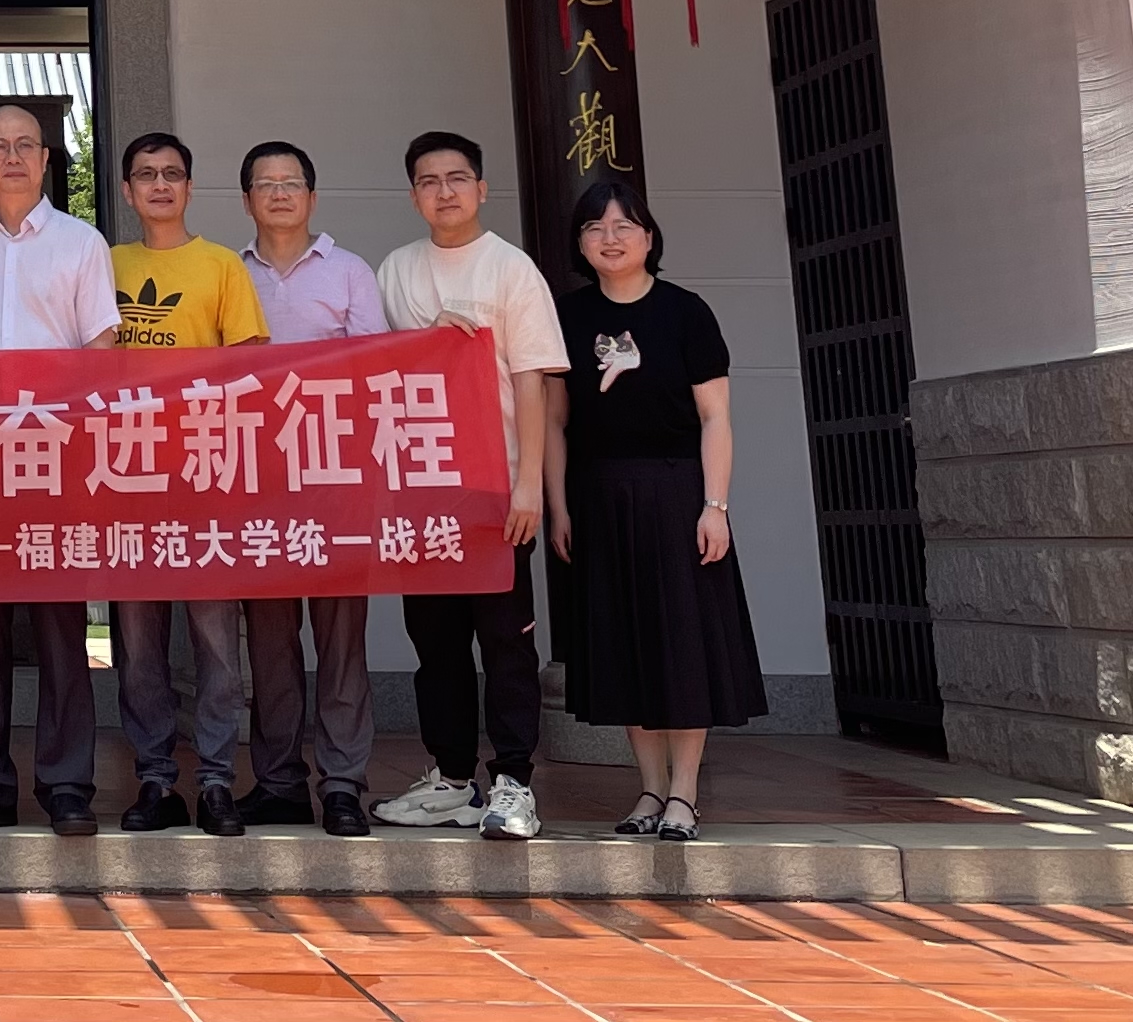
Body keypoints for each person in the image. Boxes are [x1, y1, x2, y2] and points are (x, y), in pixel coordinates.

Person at [546, 176, 766, 842]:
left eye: (623, 226)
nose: (609, 238)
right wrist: (559, 507)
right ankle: (647, 789)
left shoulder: (685, 312)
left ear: (648, 237)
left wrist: (714, 505)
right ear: (580, 243)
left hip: (678, 496)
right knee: (625, 645)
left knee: (681, 643)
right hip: (599, 496)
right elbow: (554, 422)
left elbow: (715, 417)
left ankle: (683, 794)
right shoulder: (568, 316)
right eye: (594, 228)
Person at [372, 128, 568, 844]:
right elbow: (372, 367)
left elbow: (533, 383)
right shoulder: (395, 270)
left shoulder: (511, 269)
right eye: (428, 181)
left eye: (456, 178)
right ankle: (452, 777)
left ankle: (514, 781)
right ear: (413, 195)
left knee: (505, 640)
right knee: (436, 642)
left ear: (481, 188)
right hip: (422, 490)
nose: (444, 192)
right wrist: (427, 339)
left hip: (495, 491)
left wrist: (528, 486)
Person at [0, 99, 115, 839]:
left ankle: (67, 785)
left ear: (45, 160)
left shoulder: (82, 243)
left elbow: (99, 351)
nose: (12, 157)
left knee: (60, 632)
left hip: (52, 459)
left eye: (25, 145)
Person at [106, 130, 270, 837]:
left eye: (172, 173)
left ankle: (215, 782)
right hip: (124, 478)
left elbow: (249, 371)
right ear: (126, 190)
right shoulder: (105, 264)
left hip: (204, 477)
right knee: (138, 643)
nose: (159, 184)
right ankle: (153, 779)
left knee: (215, 642)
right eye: (145, 174)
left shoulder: (221, 266)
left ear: (190, 187)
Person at [233, 137, 387, 839]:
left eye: (291, 182)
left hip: (334, 481)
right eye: (265, 184)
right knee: (269, 645)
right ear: (247, 201)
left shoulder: (350, 271)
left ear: (312, 197)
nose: (279, 193)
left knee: (341, 641)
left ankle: (344, 784)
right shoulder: (229, 273)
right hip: (256, 483)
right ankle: (278, 784)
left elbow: (374, 367)